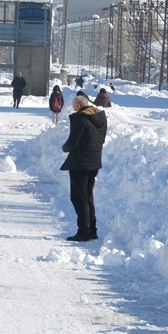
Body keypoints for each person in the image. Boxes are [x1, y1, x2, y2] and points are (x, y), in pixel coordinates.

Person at [60, 92, 107, 242]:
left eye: (74, 108)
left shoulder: (81, 118)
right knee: (88, 197)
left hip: (80, 163)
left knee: (79, 198)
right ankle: (92, 230)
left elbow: (73, 142)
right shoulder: (100, 116)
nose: (74, 110)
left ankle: (83, 231)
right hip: (94, 162)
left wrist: (65, 147)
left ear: (79, 105)